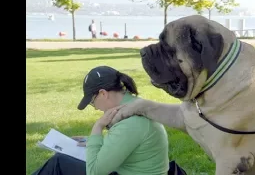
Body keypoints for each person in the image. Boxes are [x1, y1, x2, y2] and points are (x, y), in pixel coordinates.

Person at [32, 65, 174, 175]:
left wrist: (98, 127)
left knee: (59, 163)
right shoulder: (135, 105)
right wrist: (91, 141)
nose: (94, 108)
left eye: (92, 102)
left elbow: (94, 172)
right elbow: (124, 145)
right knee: (62, 160)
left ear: (103, 93)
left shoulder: (130, 123)